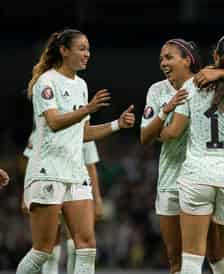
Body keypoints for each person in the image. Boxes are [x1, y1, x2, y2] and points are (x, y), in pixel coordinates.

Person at [140, 38, 224, 274]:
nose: (163, 62)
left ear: (215, 56)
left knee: (192, 260)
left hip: (197, 175)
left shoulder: (193, 86)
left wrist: (162, 127)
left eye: (169, 56)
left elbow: (172, 131)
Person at [17, 28, 135, 274]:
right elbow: (54, 122)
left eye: (88, 49)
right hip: (48, 171)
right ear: (64, 50)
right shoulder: (46, 82)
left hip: (75, 172)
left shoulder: (81, 85)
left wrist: (117, 124)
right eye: (81, 48)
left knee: (86, 245)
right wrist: (88, 108)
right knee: (43, 249)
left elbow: (83, 133)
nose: (87, 54)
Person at [22, 132, 103, 274]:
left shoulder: (82, 126)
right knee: (48, 246)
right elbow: (32, 160)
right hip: (48, 184)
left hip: (75, 186)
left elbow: (90, 165)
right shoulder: (42, 128)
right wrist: (26, 192)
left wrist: (97, 199)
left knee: (78, 243)